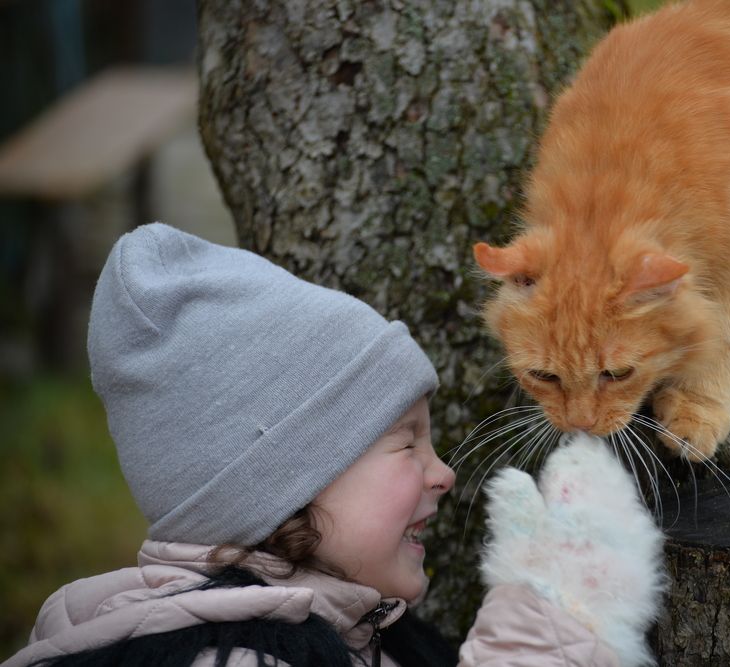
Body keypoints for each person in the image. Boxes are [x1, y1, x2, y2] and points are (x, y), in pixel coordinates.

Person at [3, 224, 666, 667]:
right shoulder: (231, 659)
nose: (444, 473)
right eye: (406, 442)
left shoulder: (364, 633)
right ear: (282, 484)